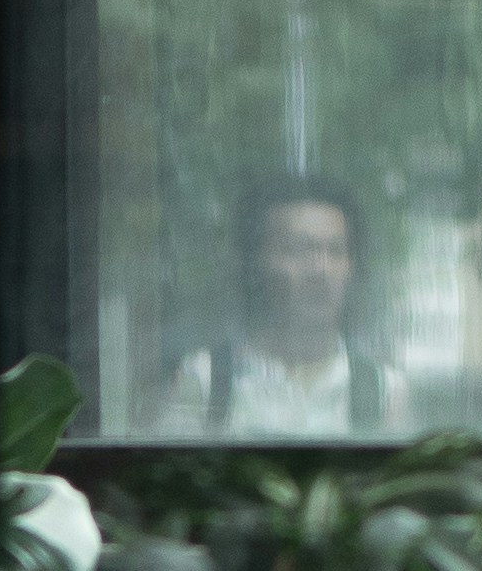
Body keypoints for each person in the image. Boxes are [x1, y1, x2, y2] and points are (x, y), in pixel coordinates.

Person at [153, 173, 402, 439]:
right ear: (256, 263)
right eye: (299, 249)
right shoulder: (205, 378)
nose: (321, 270)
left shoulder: (382, 389)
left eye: (337, 251)